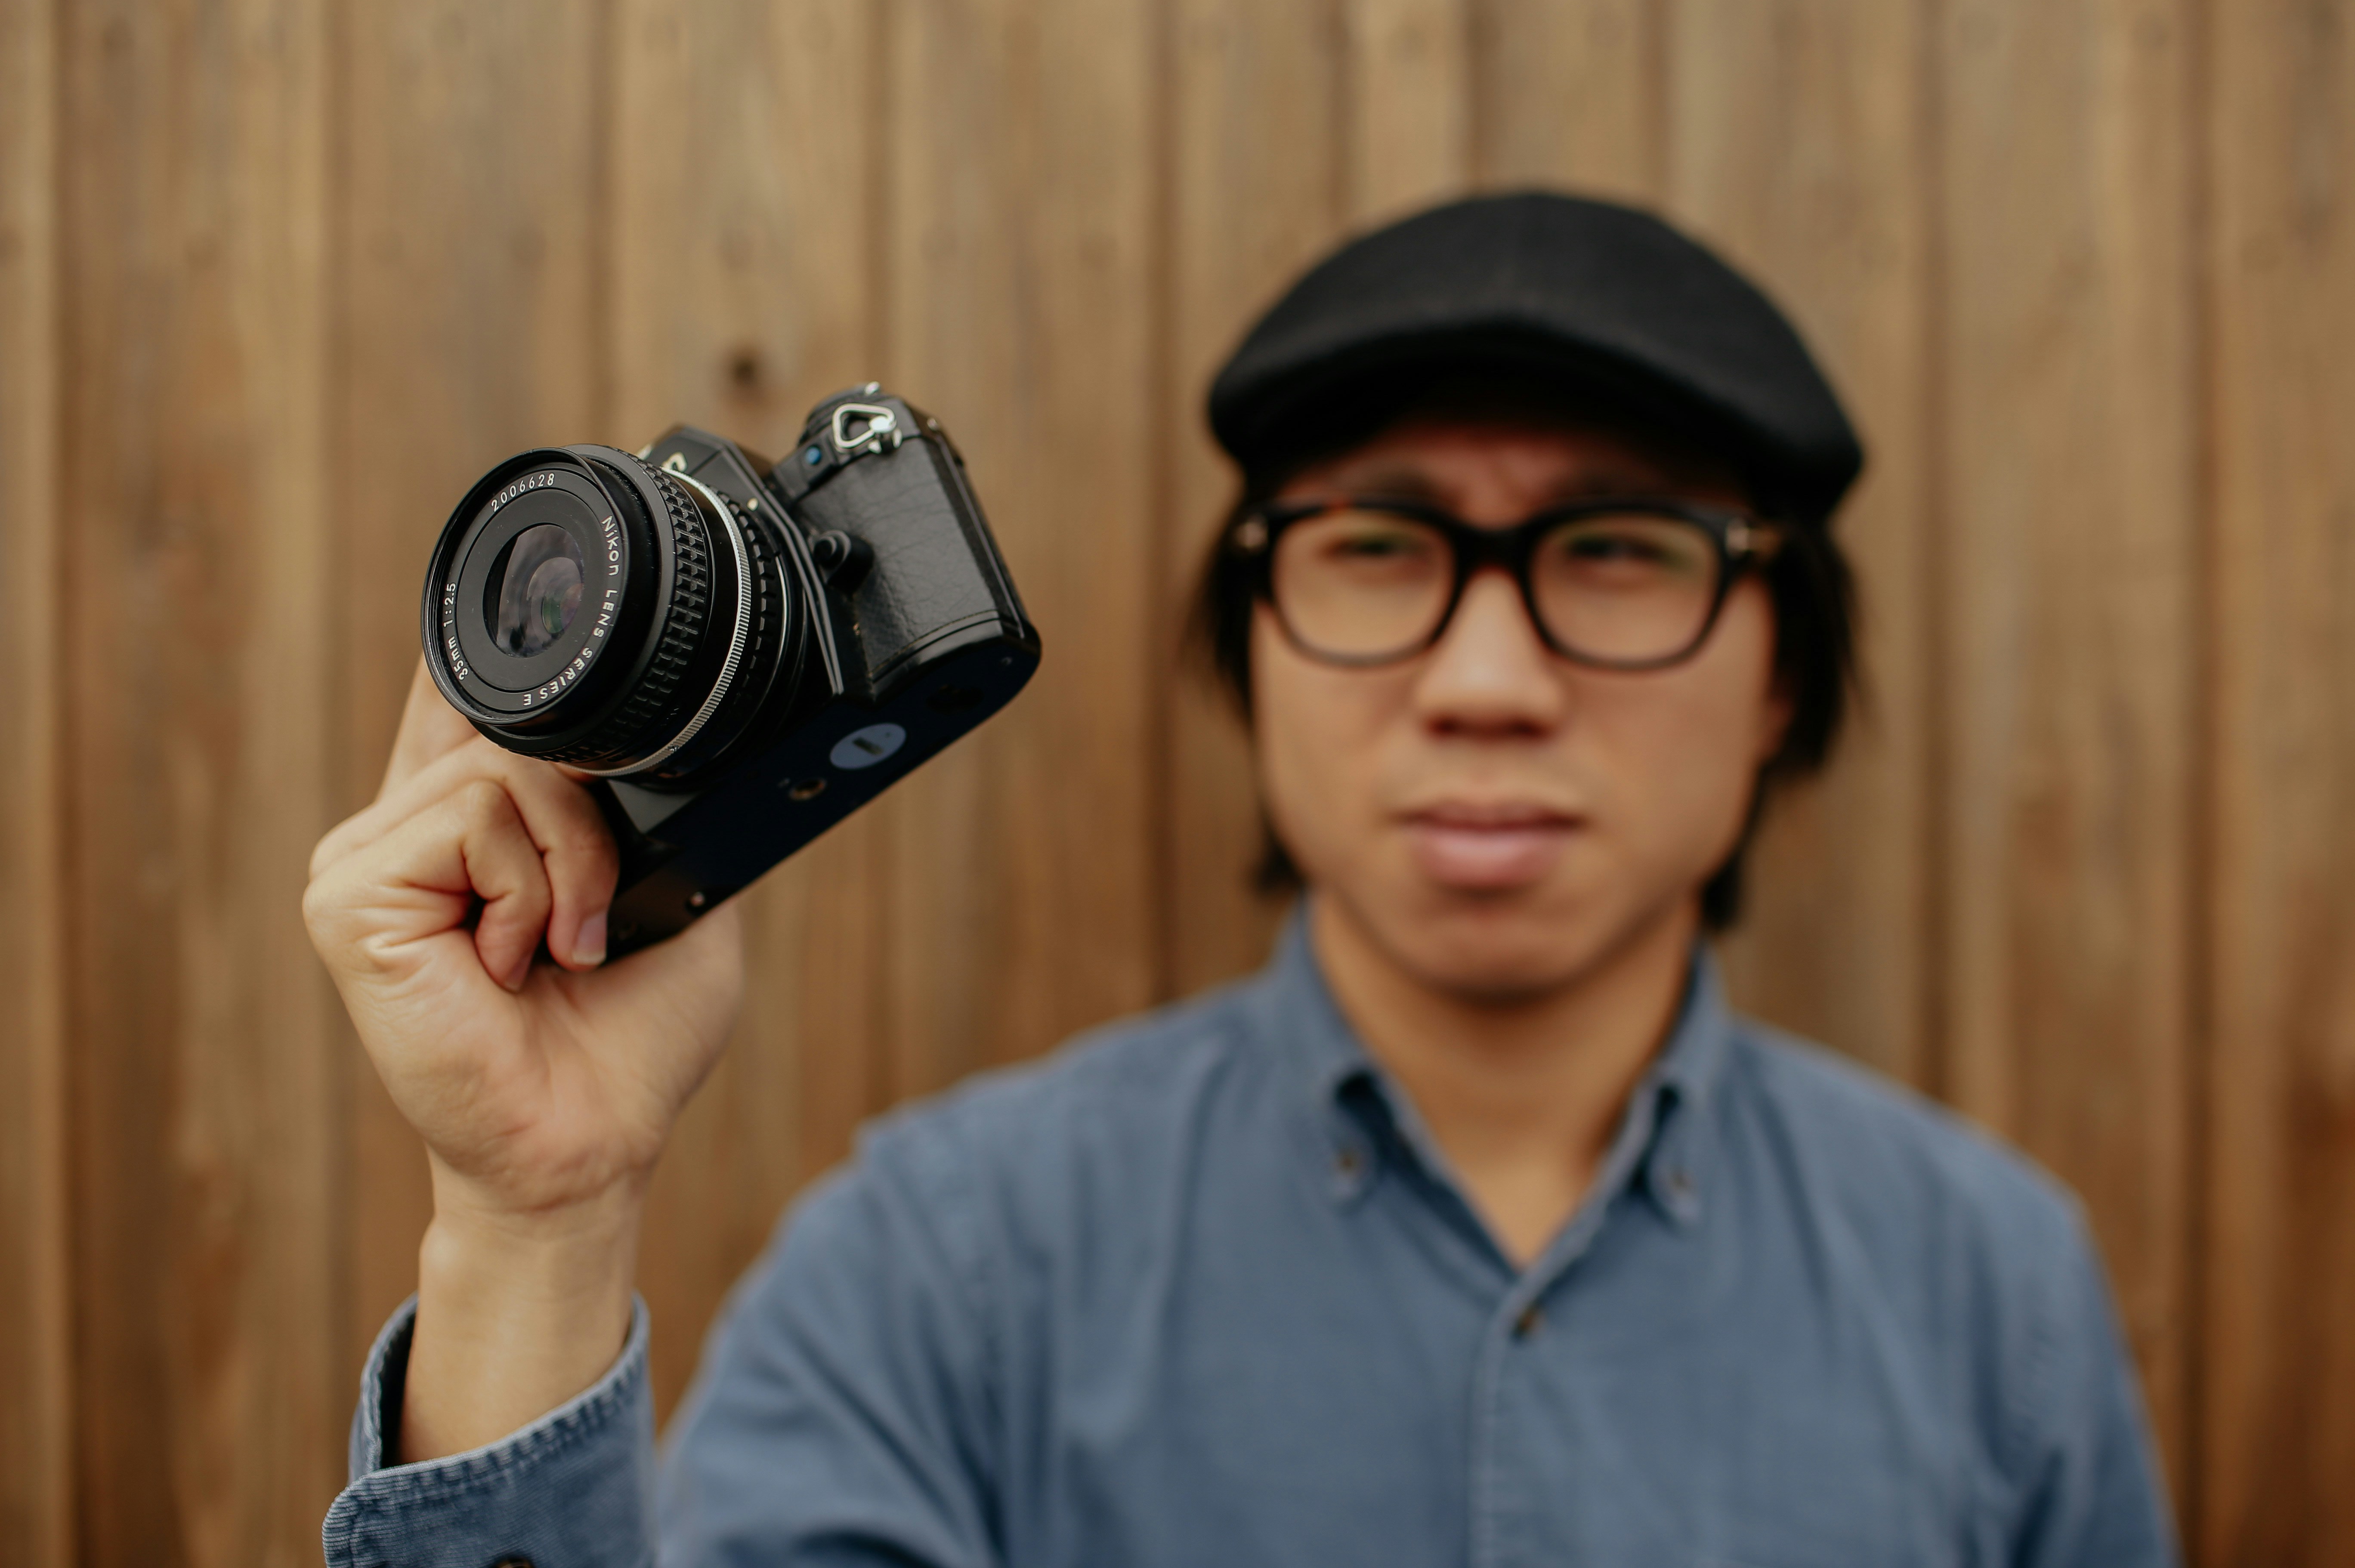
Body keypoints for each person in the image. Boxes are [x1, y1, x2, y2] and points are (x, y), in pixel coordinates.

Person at [305, 192, 2178, 1566]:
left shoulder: (1992, 1296)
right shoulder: (946, 1275)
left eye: (1618, 551)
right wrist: (533, 1226)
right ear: (1252, 647)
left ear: (1781, 675)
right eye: (1376, 546)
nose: (1489, 680)